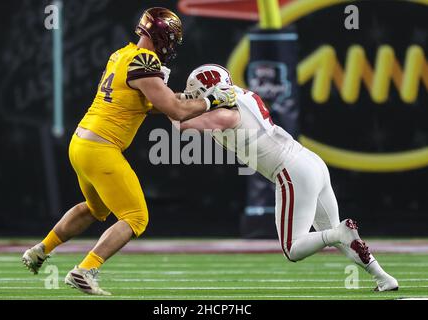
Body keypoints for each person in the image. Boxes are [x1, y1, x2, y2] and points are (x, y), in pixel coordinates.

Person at [22, 8, 236, 296]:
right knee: (136, 217)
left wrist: (190, 99)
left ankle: (40, 250)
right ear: (163, 38)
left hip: (81, 143)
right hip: (101, 148)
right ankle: (85, 270)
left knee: (96, 209)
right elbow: (173, 109)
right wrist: (212, 101)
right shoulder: (146, 61)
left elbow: (155, 103)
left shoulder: (122, 54)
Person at [174, 64, 398, 292]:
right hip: (309, 162)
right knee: (340, 239)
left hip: (291, 172)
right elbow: (186, 103)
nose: (193, 97)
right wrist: (164, 96)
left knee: (292, 248)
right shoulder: (242, 95)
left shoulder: (224, 115)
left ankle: (337, 233)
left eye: (196, 93)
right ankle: (383, 277)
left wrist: (150, 98)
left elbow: (179, 120)